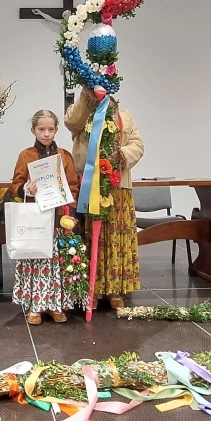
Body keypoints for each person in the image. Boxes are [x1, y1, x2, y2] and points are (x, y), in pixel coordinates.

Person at [65, 87, 144, 309]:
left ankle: (114, 290)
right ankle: (89, 289)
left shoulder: (125, 115)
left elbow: (138, 145)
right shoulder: (82, 113)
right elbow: (71, 122)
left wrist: (123, 154)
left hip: (118, 187)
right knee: (89, 236)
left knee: (116, 239)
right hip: (88, 186)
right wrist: (86, 94)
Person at [8, 109, 81, 324]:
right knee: (36, 260)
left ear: (56, 130)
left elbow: (73, 187)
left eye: (50, 129)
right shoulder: (26, 155)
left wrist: (71, 214)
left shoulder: (64, 156)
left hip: (58, 218)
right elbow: (15, 185)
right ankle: (35, 306)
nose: (46, 134)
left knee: (56, 264)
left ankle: (55, 305)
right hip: (35, 218)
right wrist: (26, 189)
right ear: (33, 130)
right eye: (41, 129)